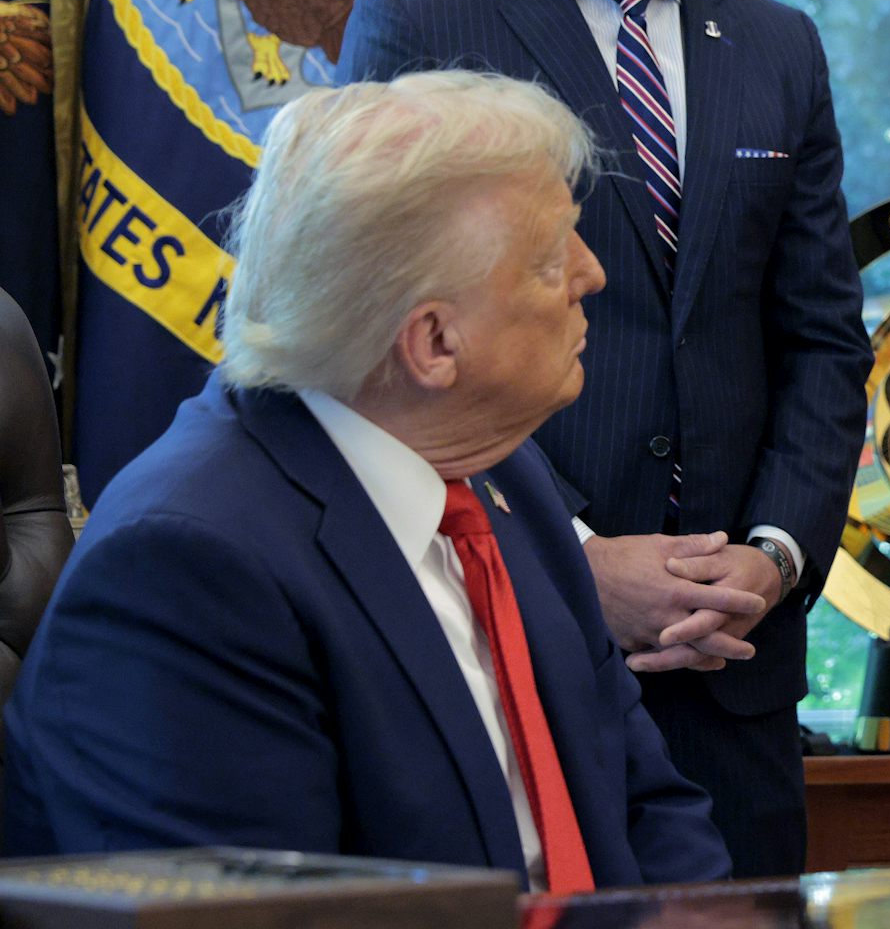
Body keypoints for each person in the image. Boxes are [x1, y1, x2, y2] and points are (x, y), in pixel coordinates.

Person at [337, 0, 869, 876]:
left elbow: (826, 340)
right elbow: (386, 355)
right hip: (507, 647)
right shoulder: (420, 25)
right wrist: (572, 561)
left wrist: (772, 557)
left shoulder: (780, 46)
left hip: (737, 672)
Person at [3, 72, 731, 888]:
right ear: (432, 346)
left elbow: (649, 807)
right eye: (547, 257)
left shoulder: (503, 477)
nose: (591, 273)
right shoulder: (187, 567)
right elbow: (266, 922)